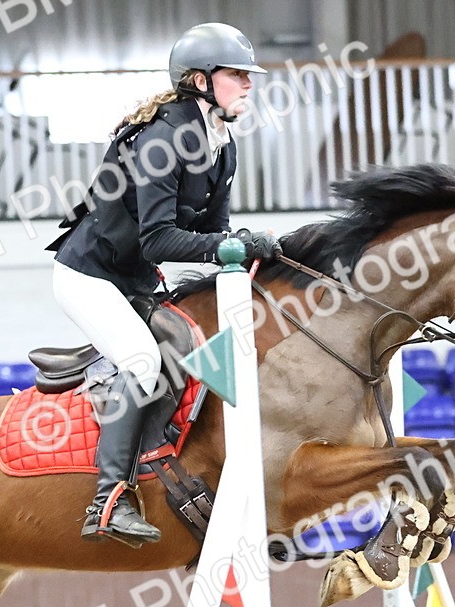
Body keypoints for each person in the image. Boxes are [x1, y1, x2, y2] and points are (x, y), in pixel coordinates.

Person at [46, 22, 281, 546]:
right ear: (200, 81)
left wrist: (243, 249)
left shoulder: (222, 144)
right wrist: (229, 246)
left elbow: (211, 234)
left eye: (248, 76)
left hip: (131, 279)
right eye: (237, 75)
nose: (248, 84)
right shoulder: (165, 137)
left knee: (188, 342)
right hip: (87, 277)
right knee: (143, 361)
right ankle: (108, 500)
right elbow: (159, 240)